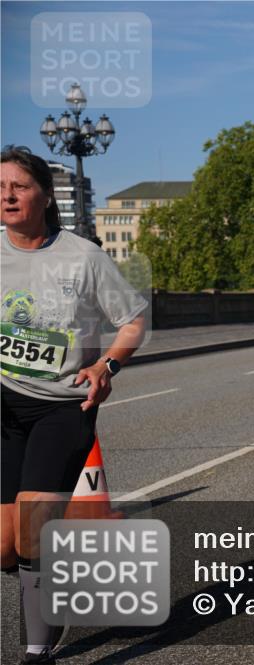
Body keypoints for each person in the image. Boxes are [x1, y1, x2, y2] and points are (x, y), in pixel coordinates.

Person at [1, 146, 148, 662]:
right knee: (7, 546)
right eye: (0, 187)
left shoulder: (82, 256)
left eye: (18, 185)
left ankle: (37, 652)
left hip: (63, 408)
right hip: (5, 406)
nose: (7, 195)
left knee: (32, 531)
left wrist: (106, 366)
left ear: (45, 193)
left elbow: (132, 319)